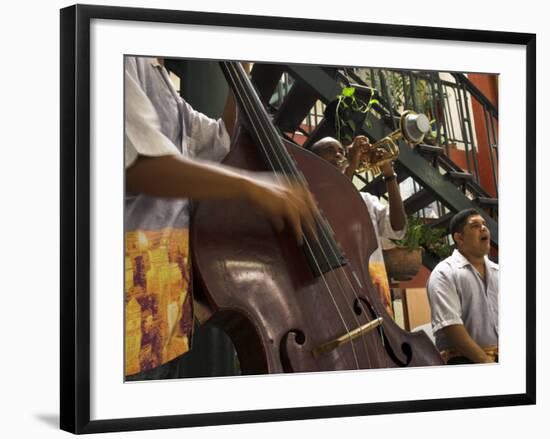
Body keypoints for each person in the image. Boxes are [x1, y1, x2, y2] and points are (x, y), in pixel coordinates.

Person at [124, 56, 317, 380]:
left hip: (165, 315)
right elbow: (141, 165)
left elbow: (219, 139)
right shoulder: (121, 57)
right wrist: (252, 187)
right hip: (126, 307)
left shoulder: (163, 85)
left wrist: (239, 72)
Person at [310, 136, 407, 316]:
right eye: (331, 152)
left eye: (341, 151)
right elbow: (336, 208)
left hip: (379, 298)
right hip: (343, 303)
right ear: (315, 164)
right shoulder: (313, 199)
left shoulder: (367, 200)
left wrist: (388, 173)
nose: (339, 155)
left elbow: (397, 227)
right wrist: (352, 164)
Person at [426, 208, 498, 364]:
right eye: (474, 226)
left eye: (484, 224)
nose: (483, 228)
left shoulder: (499, 272)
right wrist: (486, 362)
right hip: (464, 362)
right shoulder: (444, 273)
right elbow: (451, 326)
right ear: (459, 238)